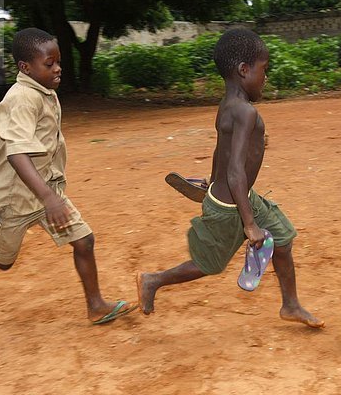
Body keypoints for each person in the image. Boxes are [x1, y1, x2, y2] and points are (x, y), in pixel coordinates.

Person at [0, 28, 136, 325]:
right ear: (26, 67)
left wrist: (50, 195)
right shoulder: (22, 98)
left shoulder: (44, 91)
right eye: (50, 64)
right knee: (2, 260)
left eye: (59, 61)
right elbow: (17, 153)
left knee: (83, 241)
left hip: (46, 189)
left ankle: (96, 305)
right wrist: (48, 198)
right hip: (15, 196)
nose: (58, 68)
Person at [137, 29, 324, 328]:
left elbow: (221, 151)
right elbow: (235, 168)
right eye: (264, 70)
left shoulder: (228, 106)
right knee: (207, 265)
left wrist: (212, 180)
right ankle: (153, 280)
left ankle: (290, 305)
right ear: (244, 70)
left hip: (242, 197)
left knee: (284, 239)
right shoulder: (246, 112)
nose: (266, 77)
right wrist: (249, 223)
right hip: (232, 208)